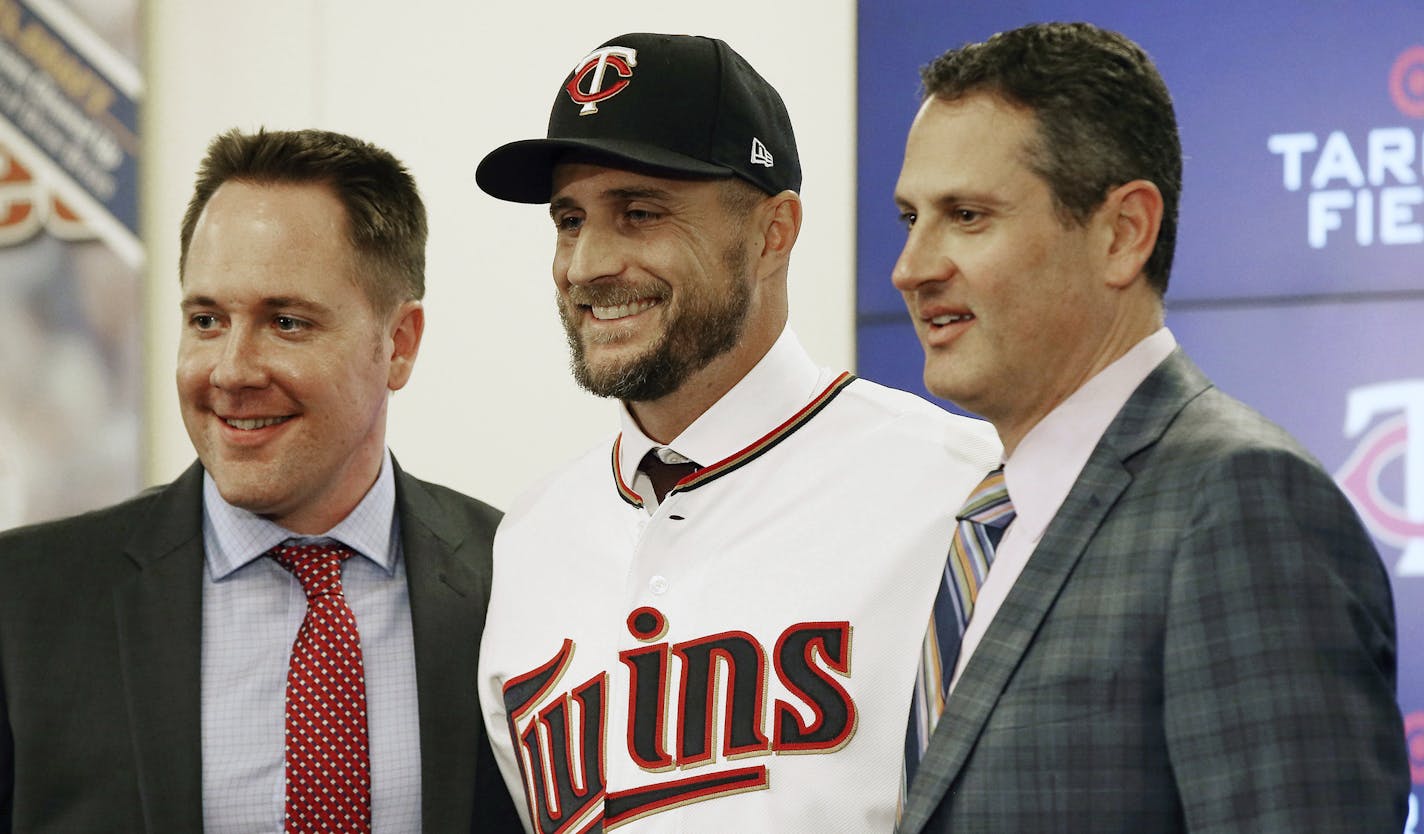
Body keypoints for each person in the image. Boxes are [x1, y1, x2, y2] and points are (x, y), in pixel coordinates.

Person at [890, 21, 1410, 833]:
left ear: (1123, 232)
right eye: (908, 218)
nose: (911, 267)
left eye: (966, 214)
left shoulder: (1239, 502)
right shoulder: (978, 525)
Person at [473, 32, 1000, 832]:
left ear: (772, 233)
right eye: (569, 219)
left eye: (639, 213)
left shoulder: (960, 493)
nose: (586, 265)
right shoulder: (531, 537)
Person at [0, 128, 520, 833]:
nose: (233, 370)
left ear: (398, 344)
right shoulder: (24, 603)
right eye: (207, 320)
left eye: (286, 322)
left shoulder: (519, 581)